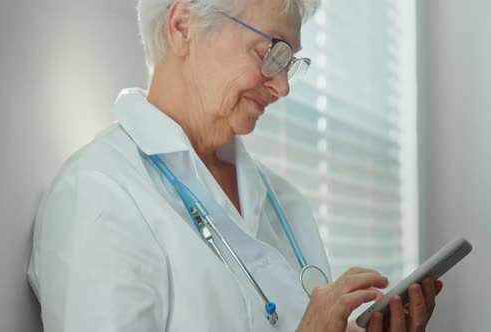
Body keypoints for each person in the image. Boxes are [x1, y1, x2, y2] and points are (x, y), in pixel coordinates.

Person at [27, 0, 443, 331]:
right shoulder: (99, 192)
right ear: (182, 26)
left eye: (289, 62)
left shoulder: (285, 200)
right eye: (271, 52)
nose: (281, 86)